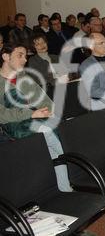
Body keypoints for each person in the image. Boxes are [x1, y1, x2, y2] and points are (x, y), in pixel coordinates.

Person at [0, 43, 71, 191]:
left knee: (60, 128)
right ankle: (67, 181)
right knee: (49, 133)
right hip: (11, 124)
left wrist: (52, 111)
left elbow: (42, 98)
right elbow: (2, 114)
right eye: (20, 55)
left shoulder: (23, 76)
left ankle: (63, 186)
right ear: (6, 57)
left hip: (33, 118)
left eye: (26, 56)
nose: (25, 60)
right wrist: (31, 113)